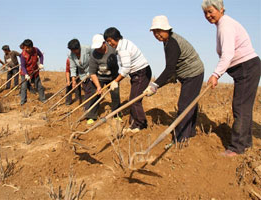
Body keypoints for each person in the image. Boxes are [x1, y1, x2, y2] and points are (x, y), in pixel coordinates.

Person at [201, 0, 260, 156]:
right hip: (246, 68)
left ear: (221, 9)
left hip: (246, 68)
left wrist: (215, 74)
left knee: (240, 107)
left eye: (210, 11)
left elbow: (228, 54)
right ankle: (245, 144)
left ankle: (236, 148)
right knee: (243, 107)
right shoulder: (223, 25)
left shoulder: (225, 26)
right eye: (205, 13)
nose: (208, 15)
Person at [144, 15, 205, 143]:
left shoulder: (172, 43)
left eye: (159, 31)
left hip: (193, 73)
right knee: (190, 102)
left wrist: (155, 85)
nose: (157, 35)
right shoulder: (167, 41)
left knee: (185, 105)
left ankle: (181, 138)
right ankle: (190, 132)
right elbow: (172, 68)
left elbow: (170, 69)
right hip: (187, 73)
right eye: (154, 32)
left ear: (167, 29)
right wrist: (162, 82)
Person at [104, 27, 152, 133]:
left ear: (115, 37)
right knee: (133, 99)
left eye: (109, 40)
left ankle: (141, 125)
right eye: (107, 41)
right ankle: (133, 125)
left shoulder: (122, 49)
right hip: (137, 73)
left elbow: (126, 68)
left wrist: (116, 81)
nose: (109, 43)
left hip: (141, 73)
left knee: (134, 100)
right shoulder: (123, 44)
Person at [87, 34, 121, 124]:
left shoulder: (112, 49)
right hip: (100, 77)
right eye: (96, 47)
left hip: (113, 77)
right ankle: (91, 116)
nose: (98, 49)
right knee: (95, 95)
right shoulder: (94, 54)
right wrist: (98, 87)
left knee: (115, 95)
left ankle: (116, 114)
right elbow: (92, 73)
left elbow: (122, 53)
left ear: (104, 43)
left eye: (99, 47)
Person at [67, 39, 93, 124]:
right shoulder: (71, 55)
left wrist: (91, 72)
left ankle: (88, 111)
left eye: (75, 50)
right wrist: (73, 80)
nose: (73, 52)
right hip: (82, 74)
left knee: (90, 91)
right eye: (72, 50)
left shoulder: (87, 49)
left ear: (79, 47)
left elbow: (95, 59)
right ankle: (87, 107)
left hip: (91, 72)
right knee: (86, 91)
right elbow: (73, 67)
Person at [20, 39, 45, 105]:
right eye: (25, 48)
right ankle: (23, 102)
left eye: (28, 48)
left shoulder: (36, 50)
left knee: (39, 86)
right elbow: (23, 66)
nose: (26, 49)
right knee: (24, 87)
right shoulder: (23, 54)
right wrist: (26, 74)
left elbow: (41, 55)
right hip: (25, 72)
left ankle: (43, 99)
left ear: (31, 47)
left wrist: (41, 63)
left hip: (34, 71)